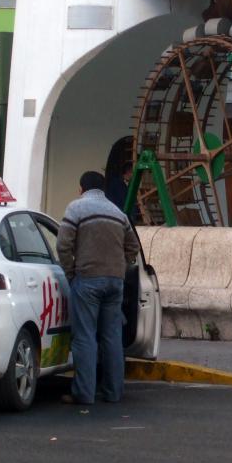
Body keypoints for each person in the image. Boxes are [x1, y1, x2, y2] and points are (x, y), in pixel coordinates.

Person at [57, 170, 139, 405]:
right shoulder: (117, 213)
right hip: (115, 282)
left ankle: (84, 393)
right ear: (102, 189)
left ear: (81, 189)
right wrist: (120, 266)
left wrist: (71, 273)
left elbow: (63, 245)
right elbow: (132, 246)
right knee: (111, 337)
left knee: (84, 337)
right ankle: (113, 393)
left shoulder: (76, 208)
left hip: (88, 280)